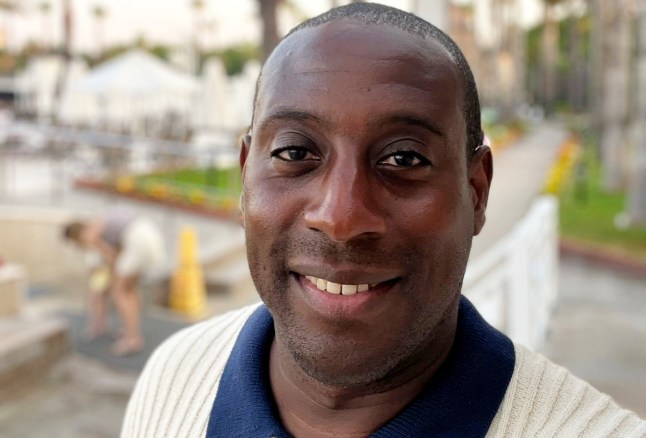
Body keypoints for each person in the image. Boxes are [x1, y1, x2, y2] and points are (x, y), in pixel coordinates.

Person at [121, 4, 646, 437]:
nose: (341, 218)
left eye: (404, 158)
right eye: (295, 152)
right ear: (245, 179)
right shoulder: (176, 378)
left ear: (476, 191)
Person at [64, 209, 166, 356]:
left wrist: (109, 274)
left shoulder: (90, 232)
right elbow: (117, 252)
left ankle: (132, 339)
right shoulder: (102, 223)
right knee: (129, 289)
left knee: (120, 291)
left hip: (138, 240)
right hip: (150, 235)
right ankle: (130, 330)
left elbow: (111, 257)